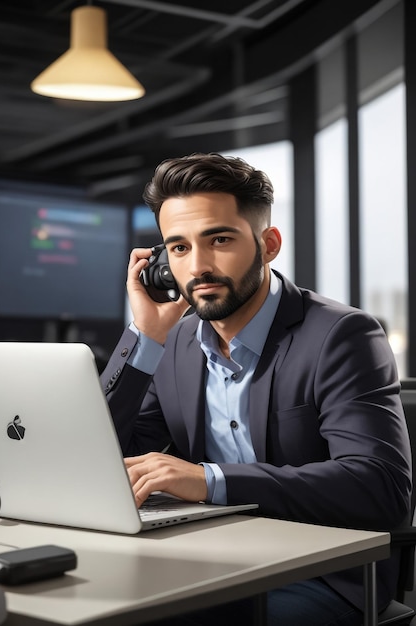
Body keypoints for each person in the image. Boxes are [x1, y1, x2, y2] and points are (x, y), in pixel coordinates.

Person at [100, 152, 412, 626]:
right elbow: (101, 456)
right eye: (178, 248)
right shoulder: (176, 342)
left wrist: (209, 480)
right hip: (204, 554)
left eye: (219, 239)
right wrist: (145, 337)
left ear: (268, 244)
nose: (198, 266)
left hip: (322, 571)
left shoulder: (342, 335)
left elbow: (379, 486)